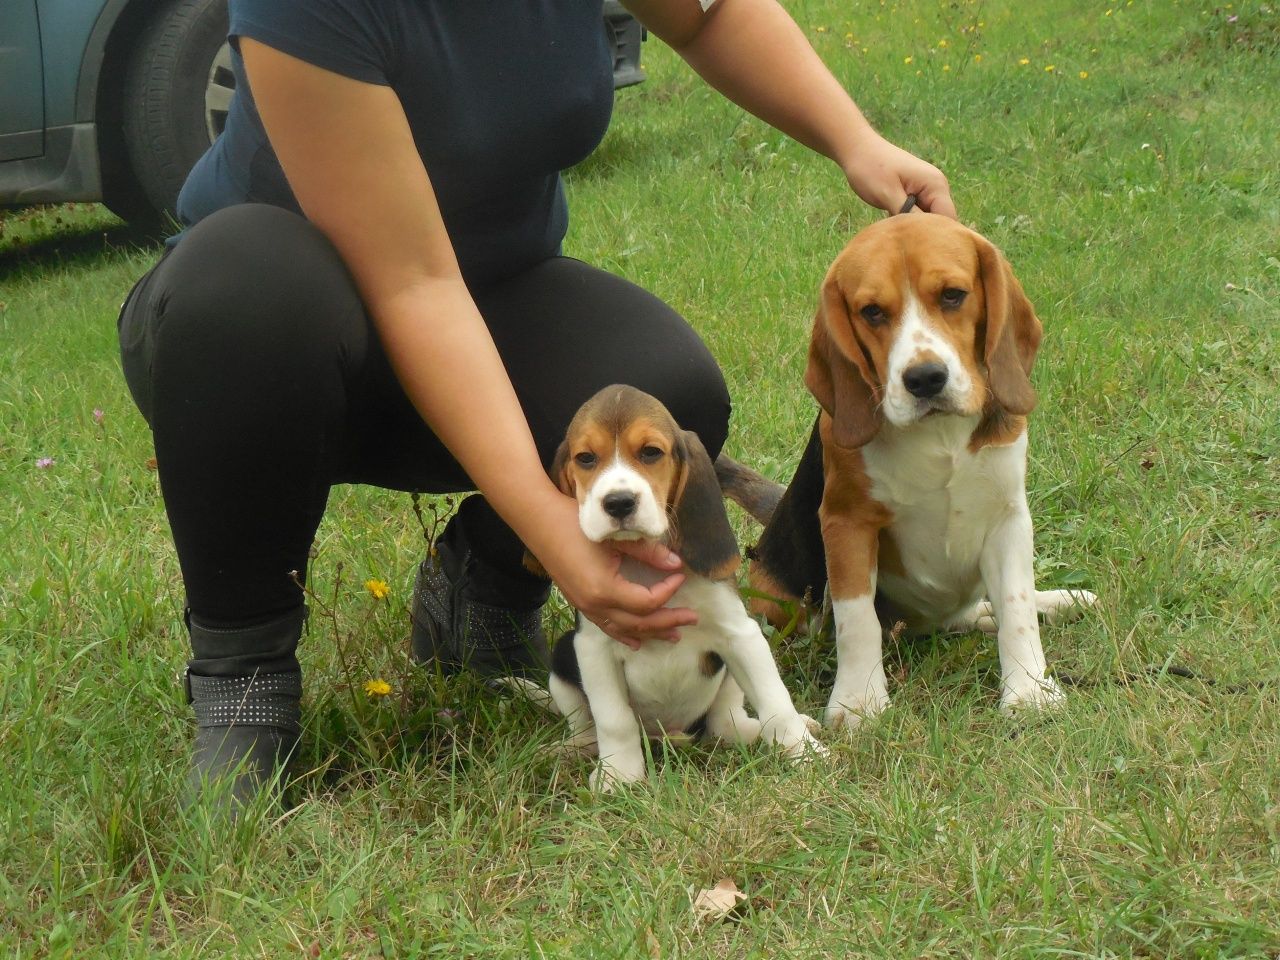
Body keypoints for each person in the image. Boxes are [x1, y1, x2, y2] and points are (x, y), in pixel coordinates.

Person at [117, 0, 955, 805]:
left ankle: (479, 588)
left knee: (665, 396)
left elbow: (712, 14)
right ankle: (245, 675)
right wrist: (555, 533)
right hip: (265, 342)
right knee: (245, 288)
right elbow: (413, 282)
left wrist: (856, 142)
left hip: (486, 294)